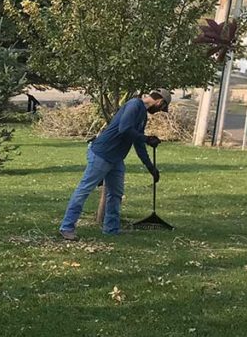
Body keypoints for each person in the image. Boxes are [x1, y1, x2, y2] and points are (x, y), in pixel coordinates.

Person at [59, 89, 171, 240]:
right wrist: (146, 138)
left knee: (116, 194)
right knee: (84, 190)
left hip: (116, 159)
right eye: (161, 108)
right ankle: (67, 228)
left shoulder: (142, 116)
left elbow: (138, 143)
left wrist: (151, 167)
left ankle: (111, 229)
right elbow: (124, 129)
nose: (159, 111)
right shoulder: (134, 105)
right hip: (102, 154)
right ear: (159, 102)